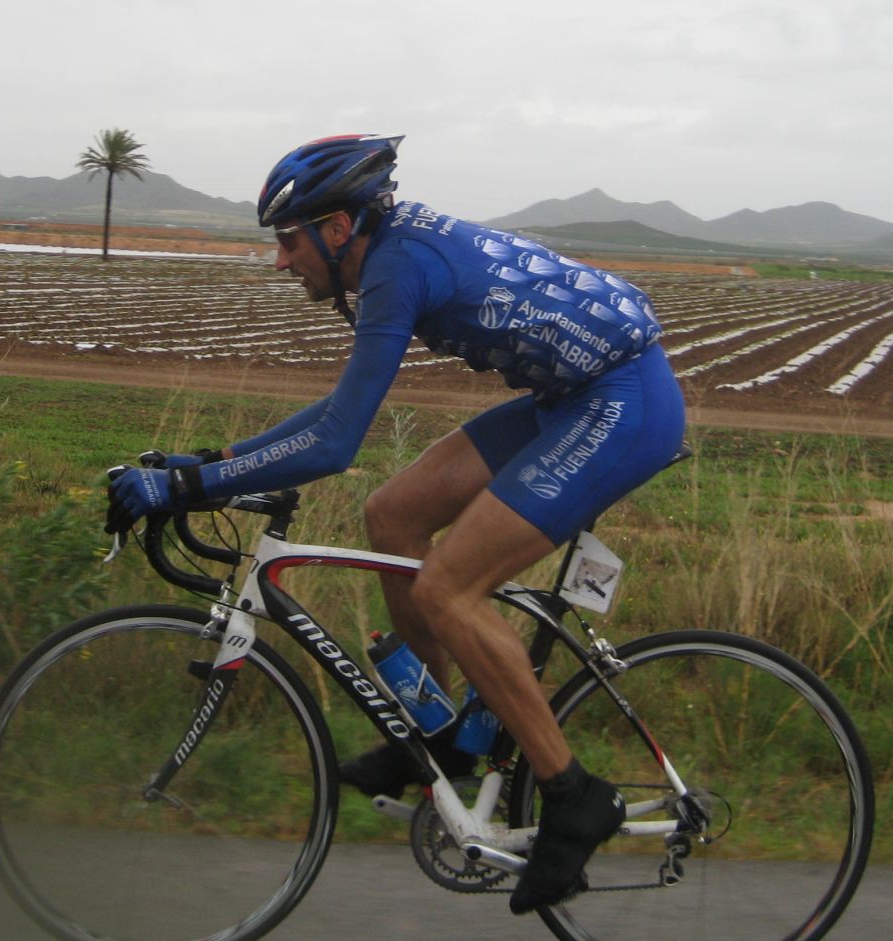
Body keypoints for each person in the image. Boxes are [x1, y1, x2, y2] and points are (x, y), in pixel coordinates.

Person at [105, 134, 687, 913]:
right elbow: (337, 415)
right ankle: (439, 734)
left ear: (337, 228)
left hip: (622, 402)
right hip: (571, 398)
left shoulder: (396, 267)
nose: (281, 261)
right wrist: (209, 463)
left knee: (450, 589)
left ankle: (574, 794)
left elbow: (336, 443)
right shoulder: (386, 252)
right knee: (393, 514)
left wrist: (189, 486)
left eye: (289, 240)